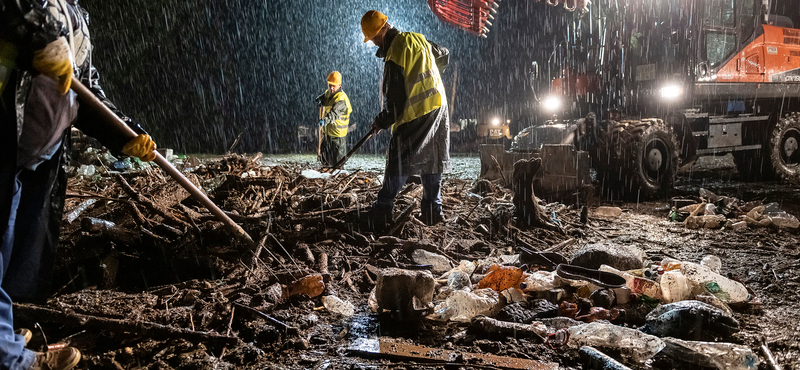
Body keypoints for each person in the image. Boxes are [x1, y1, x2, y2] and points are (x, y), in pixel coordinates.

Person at [0, 0, 156, 368]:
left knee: (12, 251)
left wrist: (125, 134)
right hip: (4, 140)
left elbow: (86, 94)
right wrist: (35, 41)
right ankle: (10, 360)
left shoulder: (74, 15)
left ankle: (4, 330)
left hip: (28, 158)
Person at [360, 10, 451, 227]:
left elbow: (396, 101)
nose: (373, 43)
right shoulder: (417, 39)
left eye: (373, 38)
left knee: (399, 159)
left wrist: (382, 121)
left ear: (381, 31)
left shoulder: (395, 51)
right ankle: (432, 212)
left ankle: (382, 210)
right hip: (438, 107)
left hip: (417, 110)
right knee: (432, 159)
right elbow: (444, 53)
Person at [315, 71, 352, 167]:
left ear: (339, 85)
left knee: (337, 165)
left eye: (334, 86)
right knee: (325, 162)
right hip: (327, 134)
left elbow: (334, 114)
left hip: (337, 138)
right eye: (330, 85)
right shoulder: (328, 93)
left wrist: (324, 121)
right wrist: (319, 99)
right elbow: (324, 97)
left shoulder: (341, 99)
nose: (331, 88)